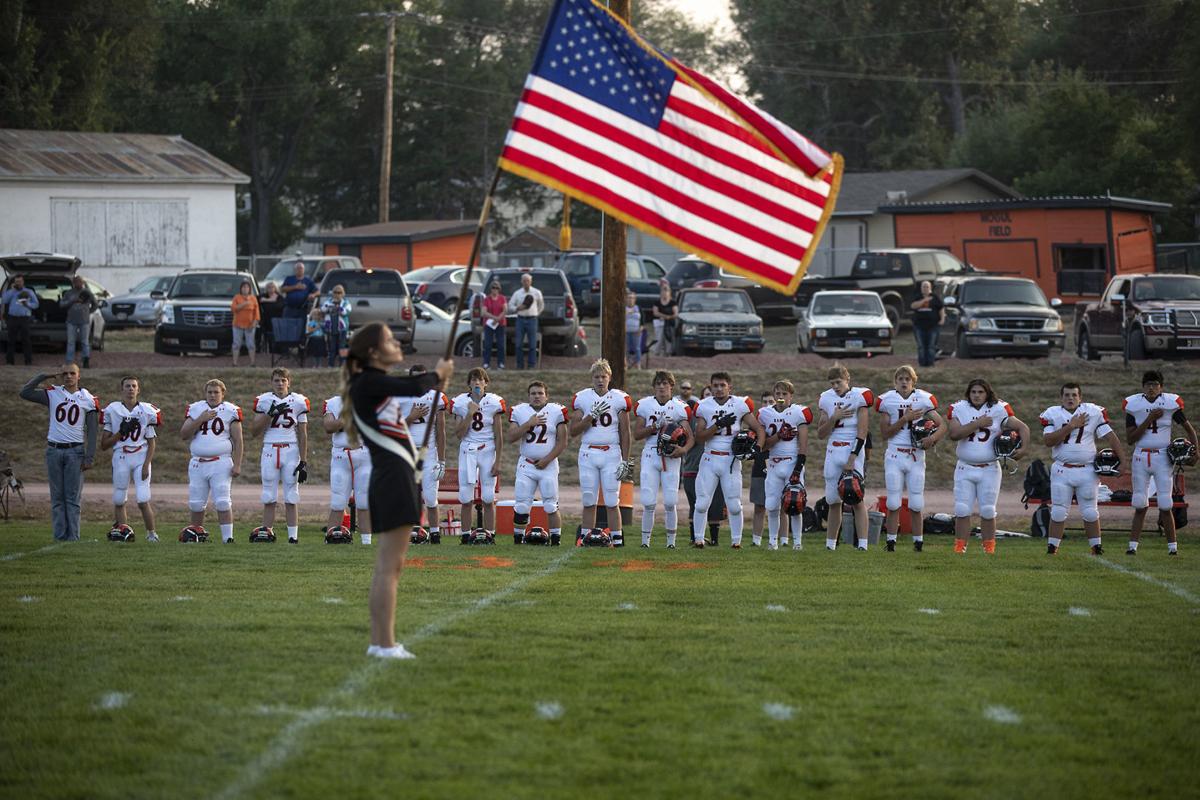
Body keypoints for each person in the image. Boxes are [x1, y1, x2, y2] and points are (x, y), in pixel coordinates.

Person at [341, 321, 452, 659]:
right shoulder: (369, 382)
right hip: (391, 477)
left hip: (396, 474)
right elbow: (414, 385)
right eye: (390, 339)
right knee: (390, 566)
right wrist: (437, 375)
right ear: (373, 352)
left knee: (390, 565)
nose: (397, 343)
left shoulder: (372, 385)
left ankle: (381, 642)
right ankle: (384, 644)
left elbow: (404, 398)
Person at [947, 379, 1030, 554]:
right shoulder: (959, 408)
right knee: (962, 509)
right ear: (968, 394)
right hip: (965, 467)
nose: (977, 395)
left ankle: (989, 548)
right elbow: (954, 434)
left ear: (987, 393)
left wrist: (1023, 449)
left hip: (990, 468)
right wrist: (977, 423)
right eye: (973, 392)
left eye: (980, 392)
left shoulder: (999, 408)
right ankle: (959, 547)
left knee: (988, 510)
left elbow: (1023, 427)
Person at [1040, 383, 1124, 556]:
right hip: (1062, 470)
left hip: (1087, 470)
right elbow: (1048, 441)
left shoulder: (1092, 412)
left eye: (1074, 395)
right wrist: (1071, 426)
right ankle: (1052, 548)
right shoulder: (1053, 414)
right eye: (1067, 395)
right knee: (1058, 511)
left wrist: (1123, 460)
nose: (1070, 398)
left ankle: (1096, 548)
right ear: (1061, 398)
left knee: (1090, 512)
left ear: (1080, 397)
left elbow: (1110, 437)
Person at [20, 363, 99, 541]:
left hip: (75, 451)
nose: (68, 376)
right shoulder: (53, 393)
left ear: (79, 376)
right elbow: (25, 393)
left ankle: (73, 537)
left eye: (72, 373)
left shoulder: (88, 399)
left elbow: (93, 431)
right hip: (54, 450)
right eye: (65, 373)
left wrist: (89, 456)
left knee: (72, 498)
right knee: (57, 498)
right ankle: (59, 537)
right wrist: (43, 375)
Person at [1124, 370, 1198, 555]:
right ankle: (1132, 547)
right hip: (1141, 456)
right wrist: (1149, 419)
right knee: (1140, 503)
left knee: (1165, 503)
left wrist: (1196, 451)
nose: (1151, 388)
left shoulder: (1170, 404)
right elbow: (1130, 439)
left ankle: (1173, 548)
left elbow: (1190, 430)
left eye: (1155, 384)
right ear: (1143, 387)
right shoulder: (1134, 405)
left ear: (1161, 387)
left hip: (1163, 457)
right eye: (1148, 384)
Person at [692, 371, 765, 548]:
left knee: (734, 504)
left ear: (729, 387)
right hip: (709, 458)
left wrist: (757, 448)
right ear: (710, 387)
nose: (718, 388)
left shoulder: (739, 405)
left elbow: (759, 429)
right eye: (715, 385)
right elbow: (699, 437)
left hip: (731, 461)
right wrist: (718, 425)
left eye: (722, 385)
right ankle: (699, 539)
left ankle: (736, 542)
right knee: (702, 503)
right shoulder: (704, 406)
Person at [876, 366, 946, 552]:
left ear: (913, 381)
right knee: (893, 502)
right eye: (900, 378)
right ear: (895, 381)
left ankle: (918, 542)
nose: (904, 382)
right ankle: (890, 542)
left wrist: (932, 438)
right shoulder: (886, 400)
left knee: (916, 502)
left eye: (908, 378)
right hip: (895, 454)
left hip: (916, 455)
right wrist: (904, 419)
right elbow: (884, 433)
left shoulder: (923, 399)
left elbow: (942, 426)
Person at [570, 359, 633, 545]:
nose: (600, 380)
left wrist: (626, 460)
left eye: (603, 376)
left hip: (611, 453)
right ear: (592, 378)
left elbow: (625, 432)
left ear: (610, 378)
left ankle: (617, 539)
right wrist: (590, 416)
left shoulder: (619, 398)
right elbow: (573, 430)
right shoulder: (583, 398)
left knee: (613, 499)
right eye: (596, 376)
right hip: (588, 452)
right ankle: (585, 538)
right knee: (589, 498)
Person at [632, 370, 694, 548]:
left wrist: (682, 450)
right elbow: (637, 434)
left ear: (671, 386)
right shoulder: (645, 405)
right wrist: (655, 426)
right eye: (658, 383)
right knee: (648, 501)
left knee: (670, 501)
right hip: (651, 453)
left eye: (665, 383)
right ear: (654, 386)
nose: (661, 386)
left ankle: (671, 543)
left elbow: (691, 437)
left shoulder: (679, 407)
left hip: (671, 456)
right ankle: (645, 542)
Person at [816, 365, 874, 551]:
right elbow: (820, 433)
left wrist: (853, 457)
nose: (835, 386)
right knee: (833, 500)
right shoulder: (826, 398)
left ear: (847, 379)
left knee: (856, 498)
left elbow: (863, 431)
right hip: (833, 450)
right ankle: (830, 545)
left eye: (838, 382)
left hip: (852, 449)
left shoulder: (860, 396)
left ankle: (863, 544)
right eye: (832, 383)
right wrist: (834, 418)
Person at [181, 379, 244, 543]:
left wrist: (237, 464)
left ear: (223, 394)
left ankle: (228, 538)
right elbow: (184, 434)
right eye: (209, 392)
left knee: (223, 502)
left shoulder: (231, 410)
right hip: (198, 462)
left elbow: (238, 440)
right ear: (205, 393)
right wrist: (200, 419)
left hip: (221, 462)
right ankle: (196, 536)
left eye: (216, 392)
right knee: (196, 503)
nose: (212, 395)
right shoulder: (196, 409)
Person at [506, 380, 569, 543]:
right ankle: (518, 539)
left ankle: (556, 540)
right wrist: (528, 424)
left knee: (550, 505)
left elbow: (563, 442)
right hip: (526, 464)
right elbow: (511, 437)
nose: (537, 396)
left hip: (548, 465)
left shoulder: (557, 411)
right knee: (521, 505)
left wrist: (547, 460)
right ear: (528, 396)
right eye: (533, 393)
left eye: (540, 393)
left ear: (546, 396)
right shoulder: (519, 411)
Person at [100, 375, 162, 541]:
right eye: (127, 386)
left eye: (133, 386)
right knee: (119, 498)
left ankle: (151, 534)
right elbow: (104, 444)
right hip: (121, 456)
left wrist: (146, 464)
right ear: (122, 389)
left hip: (141, 456)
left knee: (143, 499)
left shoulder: (147, 410)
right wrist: (121, 432)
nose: (130, 389)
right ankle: (123, 533)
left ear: (138, 389)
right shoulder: (112, 410)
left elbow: (152, 443)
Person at [252, 368, 310, 543]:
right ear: (271, 382)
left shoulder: (299, 401)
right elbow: (254, 431)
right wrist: (270, 413)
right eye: (276, 380)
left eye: (283, 380)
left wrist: (304, 460)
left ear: (289, 382)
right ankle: (267, 534)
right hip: (270, 448)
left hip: (290, 450)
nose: (280, 384)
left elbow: (303, 434)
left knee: (291, 495)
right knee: (269, 495)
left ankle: (293, 537)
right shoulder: (264, 400)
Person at [757, 380, 813, 550]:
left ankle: (797, 542)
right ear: (774, 395)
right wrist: (779, 436)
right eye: (778, 394)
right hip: (773, 463)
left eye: (784, 394)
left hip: (791, 462)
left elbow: (803, 446)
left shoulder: (798, 413)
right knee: (772, 505)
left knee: (795, 503)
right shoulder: (764, 414)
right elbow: (763, 446)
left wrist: (798, 468)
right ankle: (773, 541)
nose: (780, 397)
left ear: (791, 396)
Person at [451, 368, 507, 537]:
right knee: (465, 496)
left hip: (487, 449)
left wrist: (498, 462)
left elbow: (498, 435)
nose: (477, 382)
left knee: (488, 497)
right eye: (473, 380)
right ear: (468, 384)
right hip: (468, 449)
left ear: (486, 383)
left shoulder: (494, 402)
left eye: (480, 379)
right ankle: (466, 535)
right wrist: (470, 413)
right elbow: (459, 434)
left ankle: (490, 534)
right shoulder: (460, 402)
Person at [397, 365, 449, 542]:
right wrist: (411, 417)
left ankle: (435, 534)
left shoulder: (437, 397)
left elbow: (441, 431)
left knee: (430, 496)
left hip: (428, 453)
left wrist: (441, 460)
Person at [323, 392, 373, 545]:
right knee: (338, 501)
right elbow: (329, 426)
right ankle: (331, 539)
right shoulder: (333, 402)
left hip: (363, 454)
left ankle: (366, 542)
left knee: (364, 502)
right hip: (341, 455)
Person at [682, 386, 725, 546]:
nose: (710, 396)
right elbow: (695, 438)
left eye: (711, 394)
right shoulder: (696, 417)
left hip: (715, 465)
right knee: (697, 504)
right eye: (706, 395)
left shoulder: (724, 412)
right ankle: (695, 538)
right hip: (694, 466)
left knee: (716, 504)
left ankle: (714, 539)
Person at [749, 390, 772, 547]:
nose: (768, 405)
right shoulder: (756, 424)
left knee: (779, 506)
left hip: (779, 462)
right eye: (765, 402)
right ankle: (756, 540)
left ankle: (779, 539)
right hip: (760, 464)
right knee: (759, 505)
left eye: (771, 401)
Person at [507, 272, 543, 370]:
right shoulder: (517, 293)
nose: (526, 282)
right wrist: (517, 308)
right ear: (521, 282)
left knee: (532, 344)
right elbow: (510, 306)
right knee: (518, 344)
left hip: (532, 320)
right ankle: (520, 365)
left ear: (531, 281)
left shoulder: (536, 292)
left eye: (528, 280)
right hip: (520, 320)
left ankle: (531, 365)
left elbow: (541, 305)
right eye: (524, 281)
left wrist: (536, 314)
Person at [60, 275, 96, 368]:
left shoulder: (87, 293)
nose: (78, 284)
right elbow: (62, 304)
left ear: (83, 283)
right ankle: (69, 362)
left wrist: (89, 312)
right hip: (71, 321)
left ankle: (85, 361)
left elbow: (95, 304)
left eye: (80, 282)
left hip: (84, 321)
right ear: (73, 283)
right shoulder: (69, 293)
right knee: (71, 342)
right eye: (76, 282)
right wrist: (72, 301)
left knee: (84, 341)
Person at [2, 274, 39, 366]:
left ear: (23, 282)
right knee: (11, 340)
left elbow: (36, 304)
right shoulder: (11, 292)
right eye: (16, 282)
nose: (18, 283)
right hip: (12, 318)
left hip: (24, 318)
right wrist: (12, 290)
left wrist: (28, 304)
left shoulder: (29, 292)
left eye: (20, 281)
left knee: (26, 340)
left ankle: (28, 361)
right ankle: (10, 362)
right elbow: (4, 300)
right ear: (15, 282)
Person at [910, 281, 943, 368]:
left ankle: (930, 364)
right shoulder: (917, 297)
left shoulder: (935, 298)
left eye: (927, 287)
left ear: (930, 288)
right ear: (921, 288)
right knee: (921, 346)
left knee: (931, 346)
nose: (925, 288)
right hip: (919, 326)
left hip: (933, 326)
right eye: (924, 287)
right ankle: (922, 364)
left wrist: (942, 319)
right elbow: (913, 306)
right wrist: (924, 300)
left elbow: (941, 308)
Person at [231, 279, 260, 367]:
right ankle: (235, 363)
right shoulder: (237, 297)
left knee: (251, 344)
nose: (245, 289)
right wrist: (244, 304)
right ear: (241, 288)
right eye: (243, 287)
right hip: (237, 325)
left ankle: (252, 363)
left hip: (250, 325)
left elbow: (257, 312)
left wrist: (255, 322)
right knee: (236, 344)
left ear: (249, 289)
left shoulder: (253, 298)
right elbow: (233, 308)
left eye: (247, 287)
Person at [321, 285, 352, 368]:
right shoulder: (328, 302)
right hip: (331, 328)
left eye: (339, 292)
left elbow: (347, 311)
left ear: (343, 293)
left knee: (342, 347)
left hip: (342, 329)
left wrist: (339, 308)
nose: (337, 294)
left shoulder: (346, 302)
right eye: (335, 292)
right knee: (332, 347)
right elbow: (323, 309)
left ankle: (342, 364)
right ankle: (331, 364)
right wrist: (330, 306)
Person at [480, 281, 508, 370]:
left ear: (499, 289)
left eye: (496, 288)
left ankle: (501, 363)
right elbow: (483, 312)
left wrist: (498, 318)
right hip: (489, 324)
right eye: (493, 287)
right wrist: (494, 318)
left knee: (501, 344)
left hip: (500, 324)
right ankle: (486, 363)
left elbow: (505, 310)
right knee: (488, 344)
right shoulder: (486, 299)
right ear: (490, 289)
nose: (495, 289)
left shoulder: (502, 298)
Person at [651, 283, 678, 357]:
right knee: (659, 339)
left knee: (668, 339)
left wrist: (668, 317)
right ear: (661, 292)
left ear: (669, 292)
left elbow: (675, 314)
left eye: (667, 291)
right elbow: (655, 313)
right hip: (659, 324)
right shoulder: (657, 302)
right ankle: (656, 353)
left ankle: (668, 353)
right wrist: (665, 316)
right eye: (663, 291)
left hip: (669, 324)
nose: (665, 293)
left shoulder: (673, 303)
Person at [259, 281, 283, 352]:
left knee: (276, 340)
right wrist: (271, 300)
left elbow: (280, 306)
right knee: (268, 339)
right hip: (266, 322)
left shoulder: (279, 297)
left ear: (275, 288)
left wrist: (266, 300)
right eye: (269, 287)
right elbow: (259, 299)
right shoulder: (263, 295)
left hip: (277, 322)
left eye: (272, 287)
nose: (270, 289)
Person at [625, 290, 643, 370]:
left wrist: (640, 328)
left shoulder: (638, 308)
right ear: (626, 299)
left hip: (637, 332)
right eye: (629, 298)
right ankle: (627, 363)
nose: (630, 299)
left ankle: (638, 364)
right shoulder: (623, 308)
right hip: (626, 332)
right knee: (627, 348)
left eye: (632, 298)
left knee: (637, 348)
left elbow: (643, 320)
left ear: (635, 299)